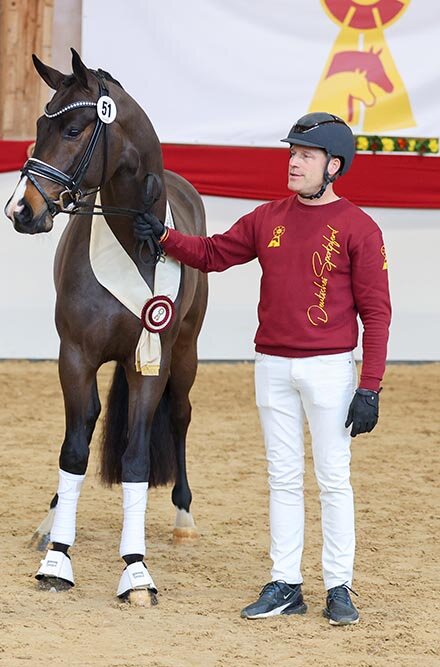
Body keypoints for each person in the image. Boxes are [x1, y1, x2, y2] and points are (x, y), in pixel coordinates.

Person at [134, 112, 390, 626]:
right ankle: (286, 582)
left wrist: (370, 386)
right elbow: (212, 254)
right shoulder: (266, 218)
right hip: (271, 365)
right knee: (283, 478)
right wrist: (163, 236)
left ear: (333, 166)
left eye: (306, 155)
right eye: (292, 152)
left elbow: (377, 311)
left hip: (329, 370)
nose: (293, 162)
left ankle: (339, 585)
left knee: (333, 480)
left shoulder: (360, 228)